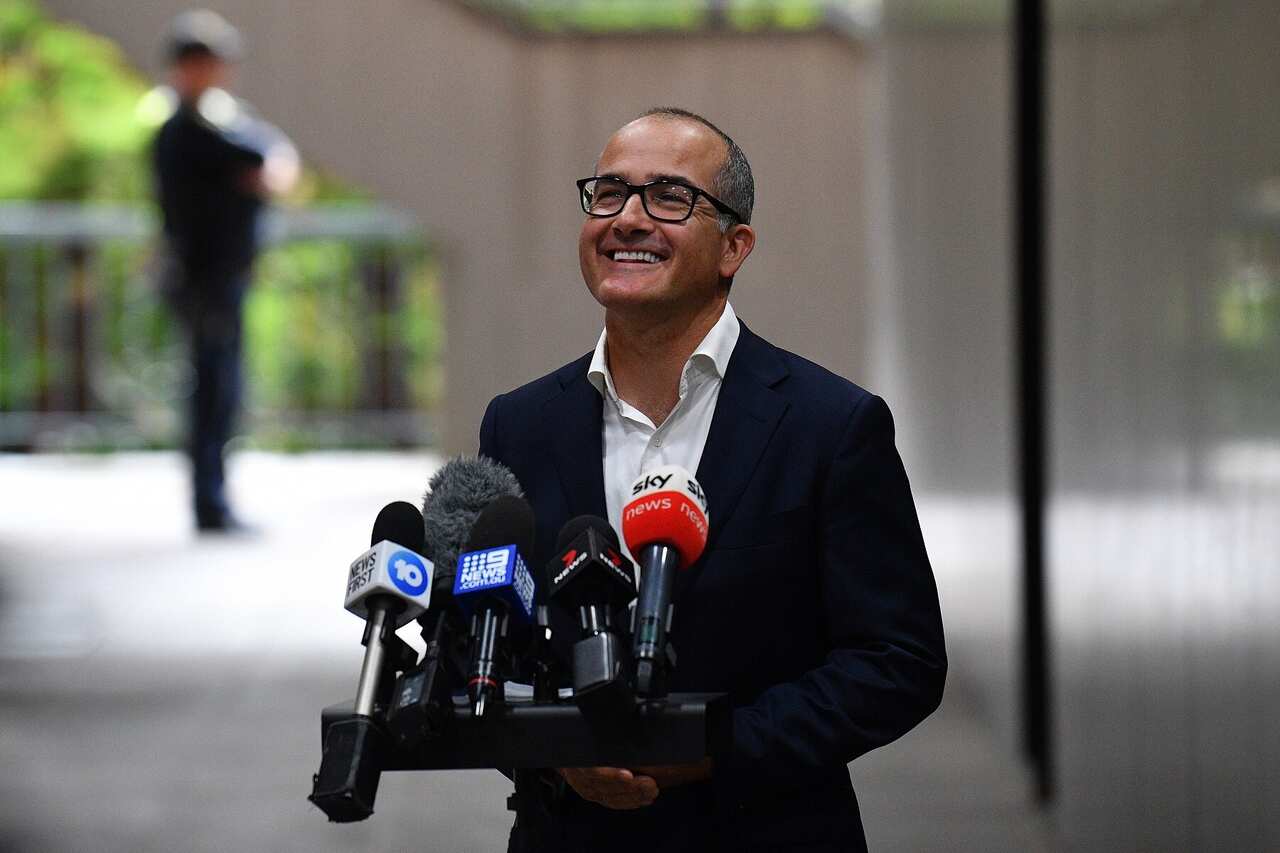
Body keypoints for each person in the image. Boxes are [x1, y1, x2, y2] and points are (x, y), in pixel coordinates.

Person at [478, 108, 946, 853]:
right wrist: (553, 750)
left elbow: (898, 664)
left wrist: (712, 747)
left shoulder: (830, 424)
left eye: (668, 197)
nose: (629, 218)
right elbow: (491, 647)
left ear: (734, 246)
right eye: (609, 193)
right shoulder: (519, 424)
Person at [152, 10, 297, 532]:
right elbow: (267, 162)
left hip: (219, 278)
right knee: (213, 393)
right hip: (204, 281)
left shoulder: (212, 122)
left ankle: (213, 500)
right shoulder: (187, 129)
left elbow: (270, 160)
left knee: (220, 391)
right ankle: (209, 503)